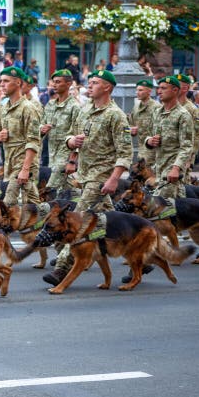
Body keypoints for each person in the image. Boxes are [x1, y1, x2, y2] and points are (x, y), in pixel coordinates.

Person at [43, 69, 132, 287]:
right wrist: (71, 146)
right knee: (114, 221)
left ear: (107, 87)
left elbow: (125, 152)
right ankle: (140, 256)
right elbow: (71, 136)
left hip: (101, 175)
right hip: (83, 174)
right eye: (89, 82)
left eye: (95, 83)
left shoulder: (115, 115)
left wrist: (114, 179)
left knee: (78, 218)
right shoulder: (85, 110)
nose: (89, 86)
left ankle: (62, 267)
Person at [0, 67, 41, 206]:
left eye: (6, 81)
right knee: (31, 202)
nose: (2, 84)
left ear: (18, 83)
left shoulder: (28, 108)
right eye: (0, 81)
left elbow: (33, 141)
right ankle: (46, 221)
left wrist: (25, 169)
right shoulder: (4, 108)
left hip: (23, 164)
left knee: (8, 204)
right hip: (10, 163)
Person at [145, 76, 193, 201]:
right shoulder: (157, 112)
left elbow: (187, 146)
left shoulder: (183, 115)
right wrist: (149, 141)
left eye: (163, 88)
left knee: (160, 208)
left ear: (175, 90)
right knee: (174, 208)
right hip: (159, 168)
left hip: (171, 169)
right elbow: (148, 134)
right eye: (159, 88)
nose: (159, 91)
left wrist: (176, 168)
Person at [41, 69, 83, 196]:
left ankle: (47, 210)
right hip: (52, 151)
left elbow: (78, 134)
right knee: (64, 186)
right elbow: (41, 123)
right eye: (53, 82)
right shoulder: (50, 104)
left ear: (69, 84)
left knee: (50, 187)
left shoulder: (75, 106)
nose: (54, 85)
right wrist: (42, 129)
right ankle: (80, 199)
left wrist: (72, 161)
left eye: (58, 82)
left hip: (66, 152)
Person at [129, 79, 161, 166]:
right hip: (140, 149)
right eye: (137, 90)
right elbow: (129, 124)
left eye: (140, 90)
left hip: (152, 150)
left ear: (149, 91)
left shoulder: (156, 107)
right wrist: (130, 130)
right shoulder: (136, 107)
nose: (137, 92)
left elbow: (161, 128)